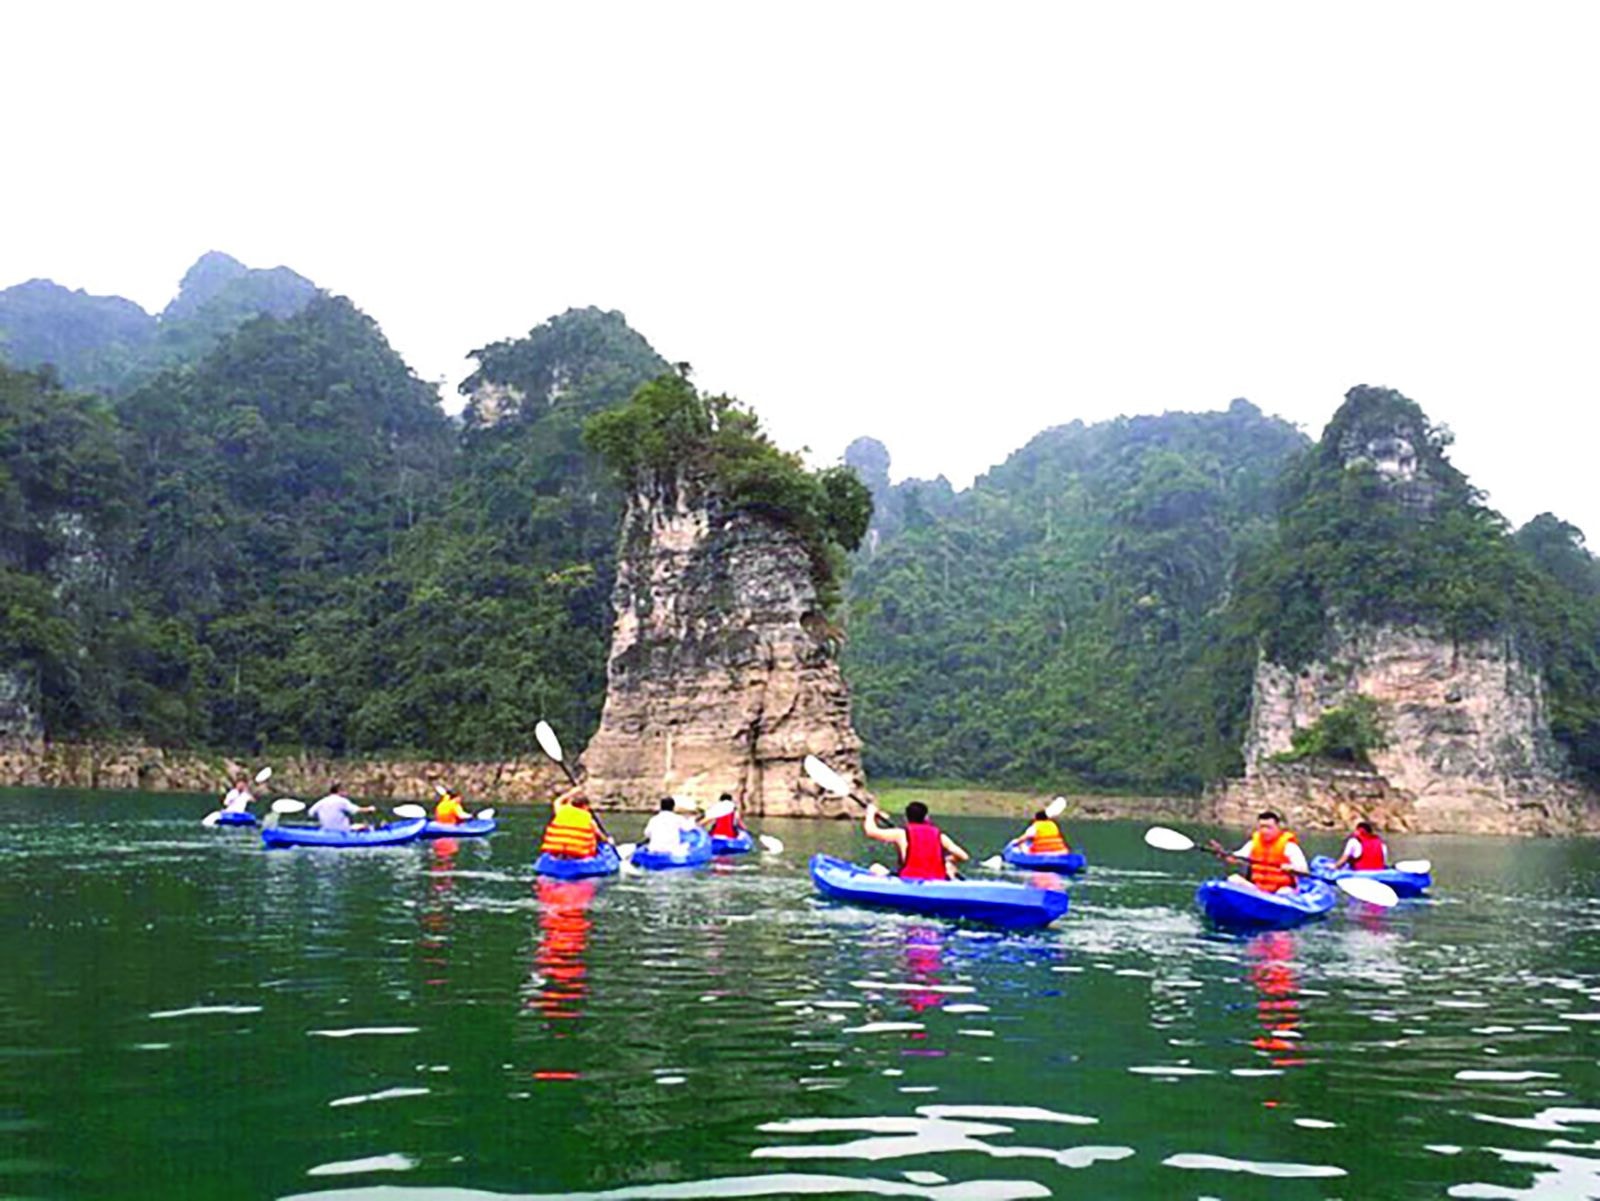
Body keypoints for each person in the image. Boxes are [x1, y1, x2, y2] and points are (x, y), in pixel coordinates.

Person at [863, 800, 970, 880]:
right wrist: (948, 860)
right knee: (950, 866)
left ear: (906, 818)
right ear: (926, 817)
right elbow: (964, 856)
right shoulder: (940, 835)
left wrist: (870, 813)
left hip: (909, 880)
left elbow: (871, 831)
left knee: (875, 867)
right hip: (937, 880)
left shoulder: (901, 834)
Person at [1208, 810, 1308, 894]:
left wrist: (1291, 868)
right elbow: (1234, 859)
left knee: (1284, 892)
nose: (1264, 831)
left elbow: (1304, 871)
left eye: (1268, 827)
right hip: (1258, 890)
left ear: (1278, 827)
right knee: (1233, 879)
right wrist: (1222, 854)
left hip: (1281, 890)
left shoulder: (1289, 847)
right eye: (1262, 827)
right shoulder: (1253, 844)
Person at [539, 785, 614, 859]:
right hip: (578, 855)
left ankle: (563, 857)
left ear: (571, 804)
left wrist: (572, 792)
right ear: (585, 806)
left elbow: (557, 801)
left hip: (556, 852)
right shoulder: (588, 820)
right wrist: (608, 841)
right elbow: (600, 837)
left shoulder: (561, 811)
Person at [308, 782, 374, 832]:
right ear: (339, 791)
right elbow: (356, 809)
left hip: (326, 829)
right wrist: (369, 809)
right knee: (365, 826)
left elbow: (310, 813)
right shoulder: (342, 801)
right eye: (343, 790)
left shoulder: (321, 801)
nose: (345, 792)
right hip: (342, 830)